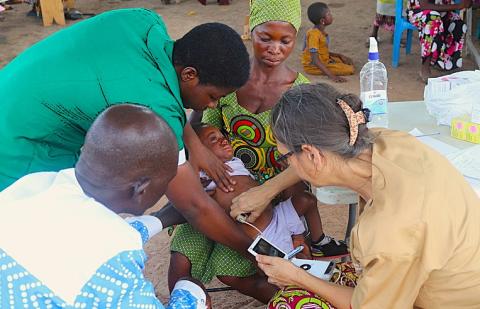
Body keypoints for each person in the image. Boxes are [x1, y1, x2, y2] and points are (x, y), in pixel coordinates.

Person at [0, 8, 259, 267]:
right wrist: (257, 252)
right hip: (15, 147)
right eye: (213, 96)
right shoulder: (154, 106)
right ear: (189, 75)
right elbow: (194, 206)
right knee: (40, 243)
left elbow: (161, 94)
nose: (213, 106)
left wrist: (195, 144)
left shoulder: (144, 21)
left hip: (12, 96)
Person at [232, 83, 480, 308]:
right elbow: (323, 157)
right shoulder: (391, 141)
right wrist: (268, 190)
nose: (289, 167)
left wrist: (297, 276)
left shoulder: (388, 231)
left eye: (285, 157)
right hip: (453, 271)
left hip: (443, 301)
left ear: (312, 154)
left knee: (290, 302)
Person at [0, 105, 210, 308]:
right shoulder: (114, 253)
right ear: (141, 189)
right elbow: (105, 245)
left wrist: (160, 219)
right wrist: (190, 290)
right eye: (167, 182)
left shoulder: (34, 184)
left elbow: (78, 239)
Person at [406, 0, 472, 82]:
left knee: (459, 24)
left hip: (443, 11)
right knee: (433, 20)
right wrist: (458, 6)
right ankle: (425, 67)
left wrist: (467, 3)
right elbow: (424, 5)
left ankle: (446, 63)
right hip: (420, 11)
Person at [301, 2, 354, 82]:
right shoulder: (314, 35)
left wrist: (339, 55)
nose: (332, 16)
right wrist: (332, 77)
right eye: (329, 14)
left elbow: (322, 51)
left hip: (323, 59)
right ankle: (329, 67)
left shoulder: (320, 32)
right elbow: (315, 60)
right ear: (322, 20)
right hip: (313, 66)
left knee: (346, 60)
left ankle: (332, 63)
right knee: (350, 69)